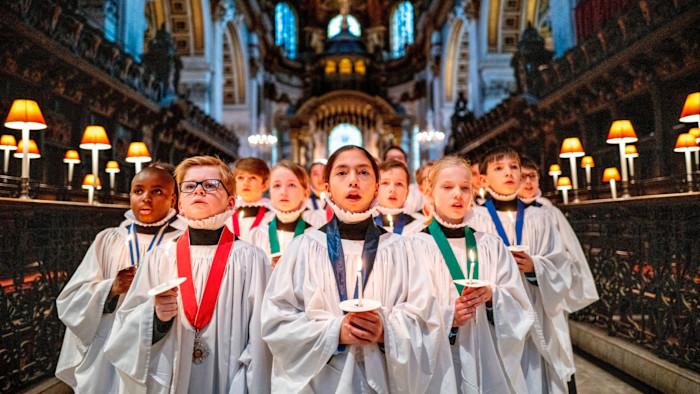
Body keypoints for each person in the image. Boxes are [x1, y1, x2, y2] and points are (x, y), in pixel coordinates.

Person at [261, 145, 456, 393]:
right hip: (320, 383)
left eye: (363, 172)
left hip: (384, 378)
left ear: (376, 186)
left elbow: (426, 320)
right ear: (327, 187)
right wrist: (334, 332)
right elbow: (277, 321)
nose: (353, 180)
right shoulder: (302, 249)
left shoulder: (402, 249)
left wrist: (386, 330)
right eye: (342, 173)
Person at [104, 156, 271, 393]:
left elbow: (261, 333)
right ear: (180, 203)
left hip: (231, 377)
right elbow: (127, 323)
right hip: (172, 374)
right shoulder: (159, 257)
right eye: (190, 186)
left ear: (231, 202)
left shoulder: (251, 258)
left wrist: (246, 384)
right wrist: (155, 319)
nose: (199, 192)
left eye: (211, 185)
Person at [56, 166, 185, 392]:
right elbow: (71, 297)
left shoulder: (183, 242)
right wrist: (110, 289)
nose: (145, 198)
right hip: (107, 342)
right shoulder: (109, 239)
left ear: (173, 199)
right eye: (138, 191)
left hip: (157, 343)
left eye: (157, 192)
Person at [411, 156, 533, 393]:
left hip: (486, 355)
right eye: (447, 187)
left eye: (465, 188)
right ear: (430, 192)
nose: (457, 194)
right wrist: (447, 317)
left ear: (473, 192)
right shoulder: (412, 246)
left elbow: (520, 306)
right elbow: (404, 312)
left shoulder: (490, 244)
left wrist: (492, 296)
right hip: (437, 365)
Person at [469, 146, 575, 394]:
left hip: (534, 307)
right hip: (495, 315)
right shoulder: (475, 219)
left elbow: (560, 263)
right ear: (483, 179)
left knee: (534, 374)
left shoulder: (539, 217)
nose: (509, 173)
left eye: (513, 167)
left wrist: (534, 267)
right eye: (499, 168)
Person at [518, 157, 599, 314]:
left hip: (547, 281)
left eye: (532, 176)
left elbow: (570, 249)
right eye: (523, 177)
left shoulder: (548, 211)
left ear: (539, 179)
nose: (528, 182)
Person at [247, 161, 315, 270]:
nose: (283, 192)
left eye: (291, 185)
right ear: (270, 193)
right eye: (277, 185)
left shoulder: (314, 238)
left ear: (306, 193)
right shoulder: (257, 236)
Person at [374, 160, 425, 236]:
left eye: (399, 184)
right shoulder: (367, 227)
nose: (392, 189)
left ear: (407, 193)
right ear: (376, 190)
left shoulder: (420, 228)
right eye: (385, 183)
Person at [231, 157, 275, 239]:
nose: (246, 182)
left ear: (265, 185)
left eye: (253, 177)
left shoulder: (273, 213)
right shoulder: (227, 212)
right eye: (240, 177)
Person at [383, 146, 423, 214]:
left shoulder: (417, 193)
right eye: (391, 158)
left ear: (406, 163)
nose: (395, 160)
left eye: (399, 158)